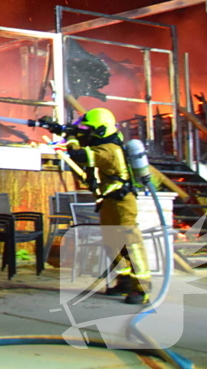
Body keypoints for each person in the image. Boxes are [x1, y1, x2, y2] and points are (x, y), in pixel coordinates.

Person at [64, 107, 151, 305]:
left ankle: (141, 287)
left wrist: (70, 137)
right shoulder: (105, 143)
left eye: (91, 129)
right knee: (113, 244)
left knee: (131, 245)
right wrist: (69, 131)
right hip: (109, 201)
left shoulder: (109, 150)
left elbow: (80, 155)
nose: (88, 132)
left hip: (122, 203)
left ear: (101, 130)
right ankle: (125, 282)